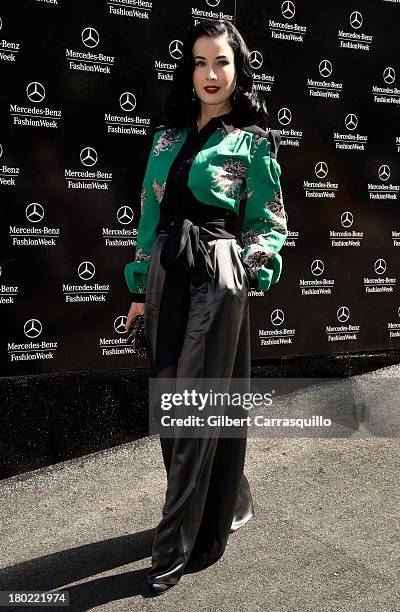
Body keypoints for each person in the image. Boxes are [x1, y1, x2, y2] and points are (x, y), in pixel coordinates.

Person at [124, 19, 288, 595]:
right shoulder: (166, 137)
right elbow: (150, 218)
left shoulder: (253, 139)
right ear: (188, 70)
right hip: (169, 272)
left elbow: (270, 220)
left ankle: (176, 548)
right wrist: (141, 290)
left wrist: (248, 264)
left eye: (220, 61)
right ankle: (230, 498)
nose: (210, 74)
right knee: (174, 402)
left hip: (217, 274)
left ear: (237, 68)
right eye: (199, 62)